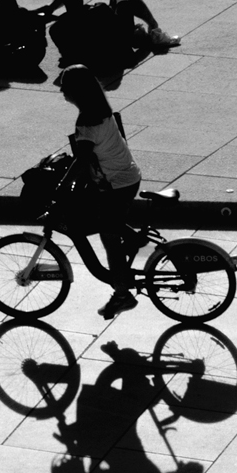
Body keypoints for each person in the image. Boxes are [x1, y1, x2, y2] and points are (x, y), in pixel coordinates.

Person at [57, 65, 144, 320]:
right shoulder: (100, 110)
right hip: (126, 177)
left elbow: (82, 162)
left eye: (65, 85)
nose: (61, 90)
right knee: (102, 214)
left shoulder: (87, 121)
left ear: (77, 91)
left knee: (108, 238)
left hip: (117, 184)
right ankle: (132, 238)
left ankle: (122, 295)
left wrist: (64, 184)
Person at [45, 0, 179, 74]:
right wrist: (112, 9)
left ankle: (140, 36)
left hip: (90, 64)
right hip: (118, 58)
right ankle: (154, 30)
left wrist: (50, 9)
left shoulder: (56, 29)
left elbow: (68, 56)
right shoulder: (99, 10)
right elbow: (116, 30)